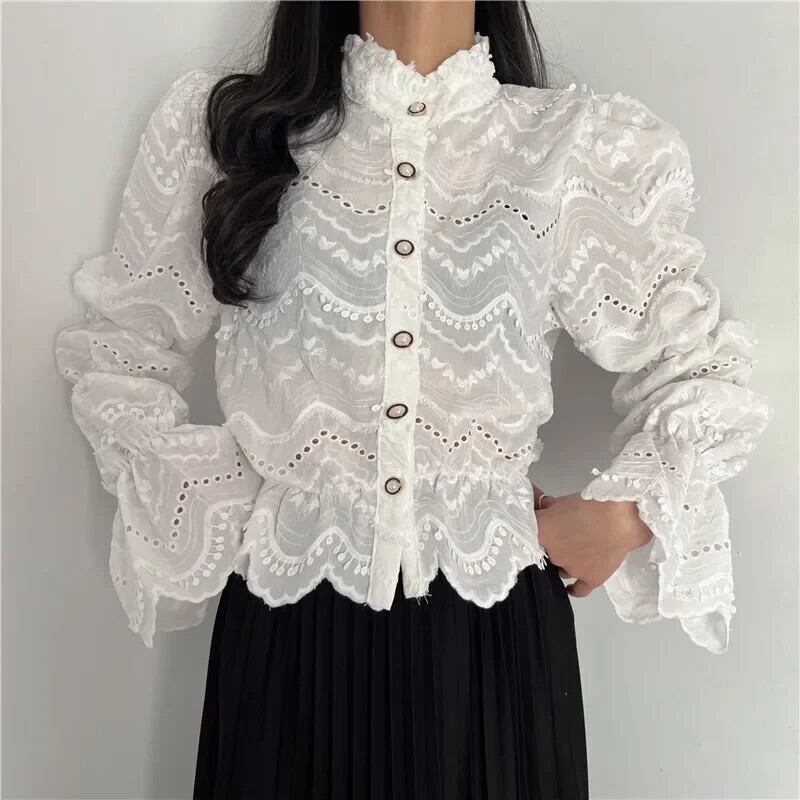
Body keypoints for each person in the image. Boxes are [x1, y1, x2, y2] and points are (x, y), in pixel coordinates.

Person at [53, 1, 773, 798]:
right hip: (288, 635)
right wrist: (243, 507)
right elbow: (120, 354)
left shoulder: (571, 146)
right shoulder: (231, 132)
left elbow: (702, 368)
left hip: (492, 637)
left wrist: (623, 514)